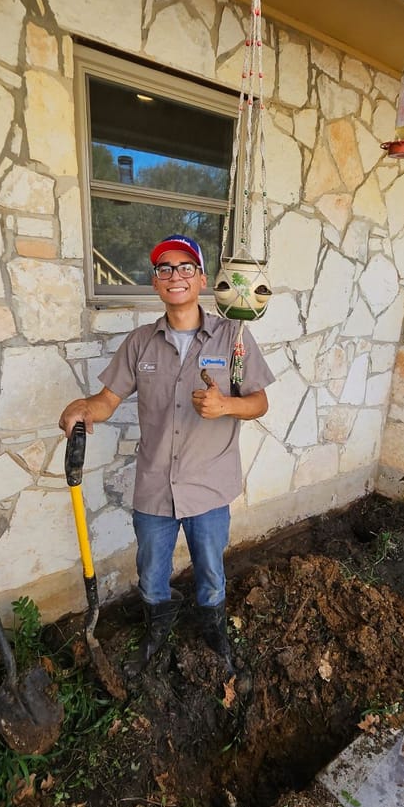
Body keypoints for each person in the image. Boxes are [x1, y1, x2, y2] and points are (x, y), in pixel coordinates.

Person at [59, 234, 274, 679]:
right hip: (155, 485)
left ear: (200, 279)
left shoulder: (234, 336)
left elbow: (259, 403)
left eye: (185, 268)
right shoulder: (139, 343)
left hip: (209, 485)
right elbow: (106, 400)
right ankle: (157, 628)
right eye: (164, 270)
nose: (175, 277)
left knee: (211, 569)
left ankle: (213, 630)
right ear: (155, 282)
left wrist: (226, 406)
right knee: (151, 570)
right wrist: (85, 408)